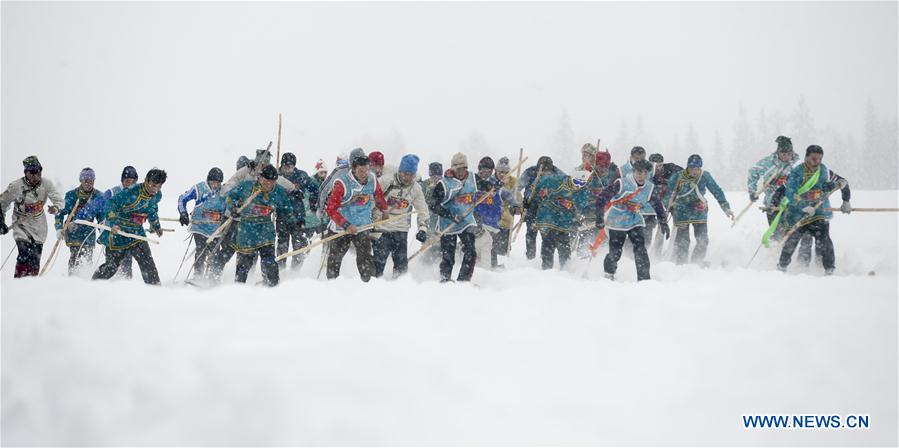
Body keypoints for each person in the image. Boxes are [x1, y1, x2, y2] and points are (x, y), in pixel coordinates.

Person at [769, 145, 850, 275]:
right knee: (792, 240)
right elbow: (790, 193)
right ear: (806, 157)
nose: (816, 162)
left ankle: (829, 270)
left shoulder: (824, 170)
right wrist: (803, 206)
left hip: (819, 212)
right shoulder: (797, 172)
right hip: (798, 213)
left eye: (819, 159)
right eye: (813, 159)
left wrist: (842, 195)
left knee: (824, 240)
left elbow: (828, 186)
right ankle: (782, 268)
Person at [595, 160, 669, 281]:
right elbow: (602, 199)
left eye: (645, 173)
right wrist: (599, 216)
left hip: (635, 220)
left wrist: (663, 222)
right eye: (639, 173)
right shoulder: (621, 183)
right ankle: (609, 274)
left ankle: (644, 279)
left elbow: (657, 205)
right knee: (615, 252)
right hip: (617, 221)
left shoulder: (649, 187)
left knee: (640, 249)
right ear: (633, 172)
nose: (642, 176)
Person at [222, 164, 295, 286]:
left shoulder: (278, 191)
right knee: (244, 264)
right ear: (260, 178)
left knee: (269, 262)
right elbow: (230, 196)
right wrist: (232, 207)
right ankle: (238, 289)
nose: (269, 184)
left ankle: (272, 286)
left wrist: (289, 219)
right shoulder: (247, 186)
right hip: (246, 229)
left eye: (272, 182)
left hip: (265, 229)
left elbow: (286, 208)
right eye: (266, 181)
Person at [92, 168, 167, 285]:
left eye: (159, 186)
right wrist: (113, 223)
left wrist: (156, 225)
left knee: (147, 263)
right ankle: (93, 284)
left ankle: (155, 290)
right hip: (119, 232)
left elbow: (151, 209)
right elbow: (110, 204)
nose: (155, 189)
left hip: (136, 232)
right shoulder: (131, 192)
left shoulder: (157, 195)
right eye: (153, 185)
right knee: (111, 267)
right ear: (146, 180)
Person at [747, 136, 812, 265]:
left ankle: (802, 263)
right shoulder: (768, 162)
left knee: (802, 234)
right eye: (783, 153)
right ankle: (775, 262)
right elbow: (752, 172)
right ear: (778, 152)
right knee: (777, 234)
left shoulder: (798, 164)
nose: (786, 156)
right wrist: (752, 191)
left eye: (789, 153)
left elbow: (808, 181)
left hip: (794, 203)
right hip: (773, 203)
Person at [324, 154, 388, 281]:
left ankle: (369, 282)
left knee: (365, 256)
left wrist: (384, 209)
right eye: (360, 171)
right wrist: (346, 225)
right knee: (335, 258)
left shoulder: (372, 179)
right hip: (341, 227)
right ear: (353, 169)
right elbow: (330, 209)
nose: (364, 174)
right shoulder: (342, 183)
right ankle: (332, 284)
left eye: (366, 169)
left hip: (362, 225)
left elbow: (378, 195)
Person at [0, 156, 63, 277]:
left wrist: (55, 208)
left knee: (35, 259)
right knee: (24, 254)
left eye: (38, 171)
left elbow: (59, 200)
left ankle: (31, 284)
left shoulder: (46, 184)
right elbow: (2, 203)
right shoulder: (15, 186)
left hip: (39, 226)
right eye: (32, 172)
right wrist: (1, 221)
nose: (35, 176)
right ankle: (19, 281)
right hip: (21, 225)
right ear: (26, 173)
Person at [665, 155, 733, 265]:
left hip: (699, 211)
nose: (695, 171)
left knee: (703, 240)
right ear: (687, 167)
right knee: (683, 241)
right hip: (681, 212)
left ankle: (696, 263)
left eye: (697, 168)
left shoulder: (704, 176)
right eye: (692, 168)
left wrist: (725, 207)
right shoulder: (677, 177)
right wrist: (670, 207)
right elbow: (667, 194)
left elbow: (717, 191)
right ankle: (681, 264)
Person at [76, 165, 140, 278]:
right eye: (127, 181)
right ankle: (97, 281)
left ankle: (125, 286)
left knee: (126, 266)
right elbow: (94, 206)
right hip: (113, 236)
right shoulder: (113, 192)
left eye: (133, 182)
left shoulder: (137, 195)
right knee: (111, 266)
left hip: (128, 235)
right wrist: (82, 216)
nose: (130, 184)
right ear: (122, 181)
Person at [372, 154, 430, 278]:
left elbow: (423, 210)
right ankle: (374, 286)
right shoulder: (385, 181)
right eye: (405, 174)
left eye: (411, 175)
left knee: (401, 264)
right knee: (378, 262)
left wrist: (422, 228)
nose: (407, 178)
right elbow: (371, 200)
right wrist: (369, 220)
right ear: (400, 171)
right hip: (382, 228)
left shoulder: (416, 188)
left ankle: (400, 287)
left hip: (401, 229)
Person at [532, 170, 594, 270]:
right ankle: (546, 268)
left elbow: (580, 205)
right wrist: (539, 192)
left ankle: (566, 268)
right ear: (571, 178)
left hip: (564, 218)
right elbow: (539, 184)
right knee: (549, 240)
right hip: (548, 213)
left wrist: (571, 206)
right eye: (576, 182)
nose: (578, 185)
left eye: (582, 183)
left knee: (564, 243)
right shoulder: (558, 180)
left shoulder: (583, 191)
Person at [431, 153, 479, 282]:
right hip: (448, 224)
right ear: (453, 168)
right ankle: (445, 279)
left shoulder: (473, 178)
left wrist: (495, 186)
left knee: (470, 251)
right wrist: (450, 215)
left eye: (463, 168)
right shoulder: (444, 183)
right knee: (448, 255)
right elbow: (433, 205)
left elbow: (486, 186)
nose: (461, 172)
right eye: (458, 169)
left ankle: (463, 279)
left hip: (466, 222)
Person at [177, 167, 226, 276]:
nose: (215, 185)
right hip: (199, 227)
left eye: (218, 183)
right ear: (208, 180)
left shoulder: (224, 192)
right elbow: (182, 199)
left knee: (215, 253)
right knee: (201, 250)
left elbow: (230, 206)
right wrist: (183, 213)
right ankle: (198, 276)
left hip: (216, 229)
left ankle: (213, 277)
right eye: (213, 182)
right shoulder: (199, 188)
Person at [54, 168, 103, 275]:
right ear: (80, 180)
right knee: (75, 256)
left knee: (87, 258)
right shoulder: (71, 195)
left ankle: (85, 280)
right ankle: (72, 280)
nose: (88, 183)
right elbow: (60, 213)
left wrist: (103, 231)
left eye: (91, 180)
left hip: (89, 233)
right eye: (85, 180)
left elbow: (101, 217)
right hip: (73, 231)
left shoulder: (98, 196)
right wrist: (59, 228)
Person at [573, 148, 620, 257]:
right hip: (588, 214)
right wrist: (591, 198)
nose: (603, 169)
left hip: (605, 214)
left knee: (602, 241)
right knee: (585, 239)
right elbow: (578, 193)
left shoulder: (612, 176)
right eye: (600, 166)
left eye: (605, 166)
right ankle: (580, 262)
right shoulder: (588, 174)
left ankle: (599, 262)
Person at [277, 152, 319, 270]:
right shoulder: (276, 176)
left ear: (294, 166)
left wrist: (313, 201)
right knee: (282, 246)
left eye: (290, 167)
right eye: (285, 167)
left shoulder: (301, 176)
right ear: (281, 165)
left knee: (299, 246)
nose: (288, 170)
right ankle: (280, 270)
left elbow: (315, 188)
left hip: (298, 217)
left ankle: (295, 272)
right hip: (282, 216)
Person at [519, 156, 564, 260]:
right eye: (543, 171)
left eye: (548, 171)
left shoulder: (557, 173)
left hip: (548, 209)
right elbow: (518, 186)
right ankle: (530, 257)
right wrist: (522, 201)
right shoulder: (530, 172)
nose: (545, 174)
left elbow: (567, 183)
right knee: (531, 232)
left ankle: (546, 257)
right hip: (531, 206)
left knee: (547, 235)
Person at [646, 153, 682, 255]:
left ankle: (673, 249)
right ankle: (656, 251)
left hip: (671, 200)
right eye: (655, 166)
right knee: (659, 224)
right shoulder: (647, 173)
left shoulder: (671, 169)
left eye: (660, 165)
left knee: (678, 222)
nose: (658, 168)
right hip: (655, 202)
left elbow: (684, 174)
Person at [473, 156, 504, 269]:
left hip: (491, 224)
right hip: (476, 223)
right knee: (478, 248)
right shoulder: (473, 182)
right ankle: (480, 271)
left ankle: (488, 271)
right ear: (479, 169)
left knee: (489, 251)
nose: (486, 172)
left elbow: (499, 203)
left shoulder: (496, 185)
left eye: (489, 170)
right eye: (483, 169)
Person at [492, 157, 522, 268]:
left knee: (503, 248)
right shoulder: (491, 181)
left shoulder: (513, 182)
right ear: (496, 171)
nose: (503, 174)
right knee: (492, 244)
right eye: (500, 172)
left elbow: (517, 198)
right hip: (493, 217)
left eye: (505, 172)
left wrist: (518, 207)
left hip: (507, 218)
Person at [419, 161, 444, 263]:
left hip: (441, 219)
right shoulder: (424, 185)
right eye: (433, 175)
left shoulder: (444, 184)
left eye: (438, 175)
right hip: (427, 219)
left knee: (440, 244)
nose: (435, 178)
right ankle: (426, 263)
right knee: (428, 243)